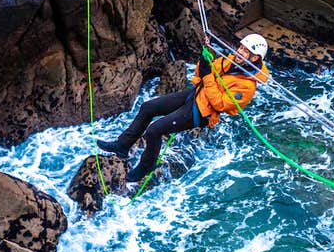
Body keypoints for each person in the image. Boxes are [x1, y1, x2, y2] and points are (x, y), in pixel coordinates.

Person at [99, 34, 270, 183]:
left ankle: (146, 166)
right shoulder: (230, 60)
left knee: (153, 131)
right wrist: (204, 62)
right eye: (241, 47)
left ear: (255, 58)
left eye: (245, 51)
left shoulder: (247, 87)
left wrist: (207, 76)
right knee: (147, 107)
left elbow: (220, 103)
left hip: (201, 112)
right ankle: (123, 145)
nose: (239, 52)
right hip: (196, 95)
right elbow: (202, 74)